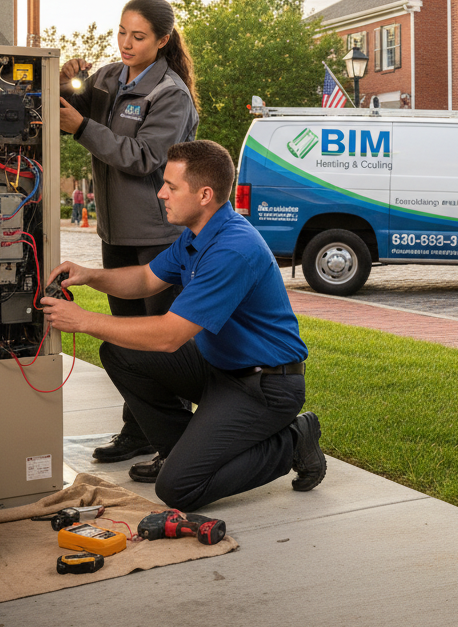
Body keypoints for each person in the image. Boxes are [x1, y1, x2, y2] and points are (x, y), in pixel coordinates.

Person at [41, 140, 326, 510]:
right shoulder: (195, 235)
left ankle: (292, 441)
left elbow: (169, 336)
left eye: (171, 186)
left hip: (266, 386)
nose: (161, 193)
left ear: (205, 194)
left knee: (179, 489)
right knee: (121, 353)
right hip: (221, 369)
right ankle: (180, 451)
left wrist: (83, 321)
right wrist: (89, 275)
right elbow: (145, 279)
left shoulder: (231, 249)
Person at [59, 0, 199, 464]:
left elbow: (145, 158)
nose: (125, 43)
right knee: (125, 340)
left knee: (161, 344)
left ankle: (173, 440)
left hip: (159, 237)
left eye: (137, 36)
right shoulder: (107, 77)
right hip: (115, 234)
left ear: (162, 41)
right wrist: (68, 86)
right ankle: (138, 431)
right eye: (121, 32)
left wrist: (81, 126)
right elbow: (78, 114)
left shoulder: (170, 95)